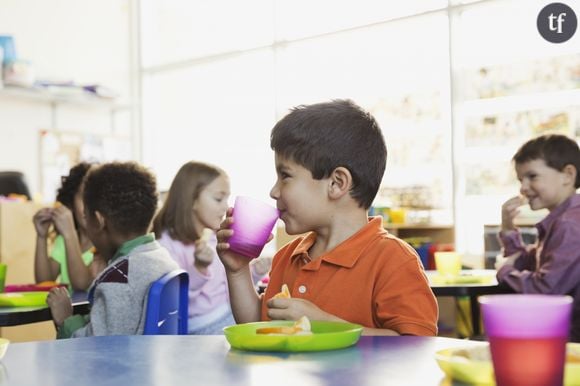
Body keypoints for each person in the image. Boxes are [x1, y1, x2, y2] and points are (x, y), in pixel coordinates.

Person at [217, 99, 438, 336]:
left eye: (285, 176)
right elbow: (258, 325)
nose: (274, 191)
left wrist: (322, 324)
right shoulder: (287, 257)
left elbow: (418, 345)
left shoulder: (394, 260)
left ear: (336, 183)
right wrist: (238, 271)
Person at [46, 162, 179, 338]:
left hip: (126, 365)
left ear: (99, 221)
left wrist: (65, 320)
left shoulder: (118, 278)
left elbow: (97, 349)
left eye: (86, 216)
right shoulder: (162, 257)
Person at [153, 161, 270, 334]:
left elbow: (228, 286)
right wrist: (199, 268)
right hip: (202, 326)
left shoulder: (214, 238)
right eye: (218, 198)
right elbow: (174, 302)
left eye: (227, 198)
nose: (226, 206)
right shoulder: (166, 245)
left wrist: (253, 272)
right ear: (191, 200)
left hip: (228, 314)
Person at [496, 134, 580, 342]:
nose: (523, 188)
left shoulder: (569, 225)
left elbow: (545, 291)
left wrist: (505, 271)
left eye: (532, 176)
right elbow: (527, 263)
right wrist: (508, 226)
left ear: (568, 175)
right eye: (520, 180)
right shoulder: (560, 220)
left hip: (568, 341)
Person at [33, 162, 98, 291]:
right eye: (83, 198)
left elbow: (81, 285)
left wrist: (69, 234)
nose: (89, 207)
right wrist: (41, 236)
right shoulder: (63, 241)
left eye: (95, 198)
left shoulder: (104, 246)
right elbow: (44, 282)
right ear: (71, 203)